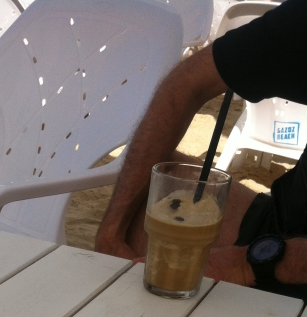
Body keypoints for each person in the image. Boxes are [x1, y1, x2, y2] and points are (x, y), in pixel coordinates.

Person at [95, 0, 307, 300]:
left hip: (288, 263)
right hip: (285, 221)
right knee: (153, 184)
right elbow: (187, 83)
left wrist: (247, 264)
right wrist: (110, 232)